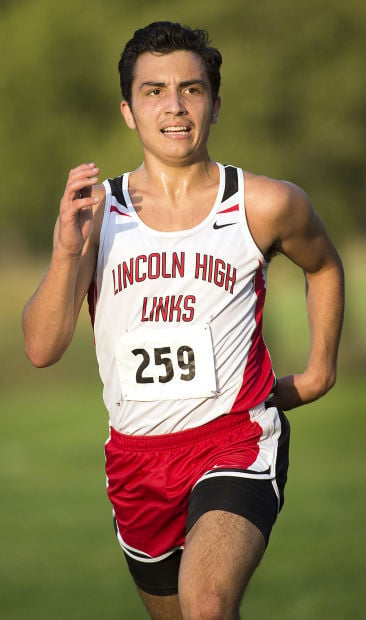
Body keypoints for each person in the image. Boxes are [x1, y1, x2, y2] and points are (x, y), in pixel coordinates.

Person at [22, 21, 344, 620]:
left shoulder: (264, 203)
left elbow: (324, 266)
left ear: (215, 105)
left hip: (234, 442)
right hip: (136, 461)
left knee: (208, 606)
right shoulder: (97, 217)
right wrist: (67, 253)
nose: (174, 106)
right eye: (153, 91)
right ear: (128, 110)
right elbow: (41, 348)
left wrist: (320, 370)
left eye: (191, 89)